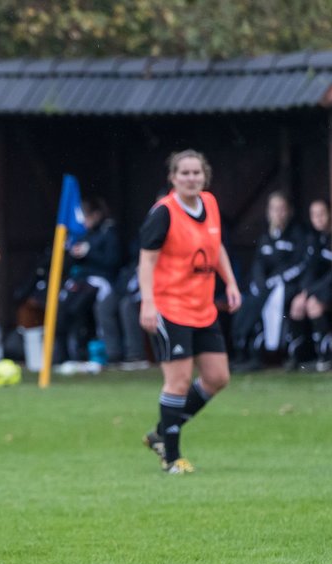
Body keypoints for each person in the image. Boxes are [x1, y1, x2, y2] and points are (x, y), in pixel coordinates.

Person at [138, 150, 242, 475]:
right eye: (185, 173)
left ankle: (161, 433)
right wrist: (148, 302)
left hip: (203, 307)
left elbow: (217, 246)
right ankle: (172, 458)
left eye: (197, 173)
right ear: (173, 178)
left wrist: (231, 283)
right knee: (178, 381)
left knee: (217, 377)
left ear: (204, 175)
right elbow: (147, 261)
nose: (192, 178)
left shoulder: (209, 203)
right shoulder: (163, 213)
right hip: (171, 307)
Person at [231, 191, 305, 372]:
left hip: (288, 286)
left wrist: (275, 281)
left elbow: (300, 263)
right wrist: (261, 282)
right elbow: (258, 263)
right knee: (248, 303)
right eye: (274, 209)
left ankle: (278, 354)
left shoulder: (297, 234)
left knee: (273, 302)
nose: (278, 213)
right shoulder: (266, 236)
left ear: (289, 211)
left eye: (281, 209)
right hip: (266, 287)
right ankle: (244, 351)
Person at [288, 199, 332, 371]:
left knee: (314, 305)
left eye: (321, 214)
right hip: (318, 288)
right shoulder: (314, 239)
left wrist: (312, 292)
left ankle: (326, 355)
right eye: (313, 215)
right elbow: (309, 269)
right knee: (297, 305)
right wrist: (305, 291)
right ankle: (302, 358)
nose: (317, 218)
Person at [56, 197, 121, 371]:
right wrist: (68, 251)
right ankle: (67, 355)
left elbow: (112, 262)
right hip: (80, 282)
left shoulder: (108, 233)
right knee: (65, 308)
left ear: (96, 215)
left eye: (86, 217)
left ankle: (103, 353)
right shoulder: (81, 235)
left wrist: (89, 252)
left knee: (82, 308)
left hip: (101, 282)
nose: (83, 222)